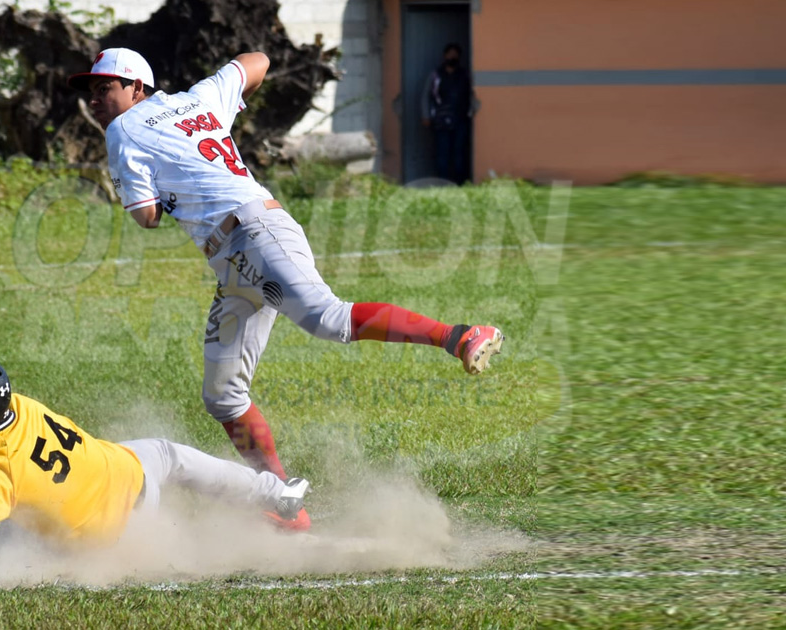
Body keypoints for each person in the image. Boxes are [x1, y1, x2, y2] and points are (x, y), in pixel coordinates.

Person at [64, 48, 504, 531]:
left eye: (105, 87)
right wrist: (219, 111)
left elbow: (146, 217)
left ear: (137, 88)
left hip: (253, 234)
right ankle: (283, 502)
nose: (96, 98)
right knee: (224, 396)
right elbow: (257, 60)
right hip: (236, 258)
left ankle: (459, 335)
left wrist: (158, 184)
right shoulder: (199, 97)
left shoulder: (123, 130)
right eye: (92, 90)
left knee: (327, 318)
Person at [0, 354, 310, 582]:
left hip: (123, 531)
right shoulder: (16, 406)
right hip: (130, 470)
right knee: (172, 454)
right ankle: (276, 493)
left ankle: (228, 533)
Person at [421, 43, 478, 184]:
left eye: (455, 54)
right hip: (441, 120)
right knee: (442, 154)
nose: (453, 56)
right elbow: (425, 96)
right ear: (444, 55)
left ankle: (460, 183)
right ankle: (442, 183)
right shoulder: (435, 75)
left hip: (461, 119)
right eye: (450, 53)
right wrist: (426, 115)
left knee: (459, 153)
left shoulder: (465, 75)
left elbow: (473, 95)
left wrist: (472, 113)